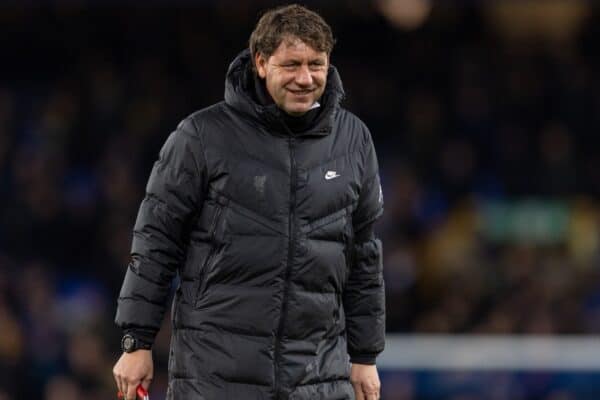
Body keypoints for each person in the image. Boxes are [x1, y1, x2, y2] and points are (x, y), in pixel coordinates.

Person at [112, 4, 385, 400]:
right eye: (291, 65)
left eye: (317, 64)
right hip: (215, 376)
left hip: (317, 378)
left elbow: (363, 256)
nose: (305, 78)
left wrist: (365, 355)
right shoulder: (202, 136)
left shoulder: (354, 140)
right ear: (261, 63)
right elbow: (155, 242)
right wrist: (136, 341)